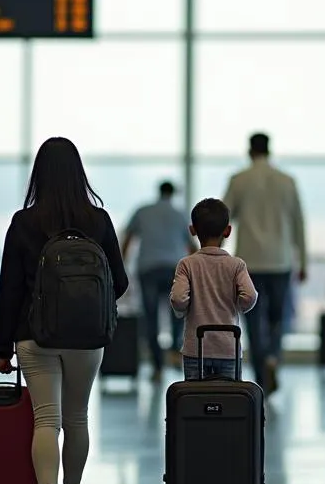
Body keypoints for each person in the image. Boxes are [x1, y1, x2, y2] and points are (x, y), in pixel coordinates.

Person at [0, 137, 128, 484]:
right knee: (77, 419)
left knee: (45, 420)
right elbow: (120, 283)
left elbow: (9, 290)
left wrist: (2, 348)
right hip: (87, 338)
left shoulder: (23, 222)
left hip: (34, 336)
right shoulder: (99, 221)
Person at [224, 133, 307, 395]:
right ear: (269, 151)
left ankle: (262, 373)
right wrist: (302, 260)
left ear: (249, 151)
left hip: (248, 262)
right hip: (280, 260)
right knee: (278, 318)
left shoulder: (239, 180)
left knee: (253, 320)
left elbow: (224, 218)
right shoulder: (287, 181)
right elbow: (298, 224)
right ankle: (273, 356)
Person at [170, 198, 258, 380]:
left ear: (192, 230)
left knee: (196, 401)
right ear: (228, 231)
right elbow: (249, 296)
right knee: (228, 402)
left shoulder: (187, 264)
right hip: (228, 348)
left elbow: (178, 299)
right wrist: (238, 305)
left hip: (196, 349)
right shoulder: (236, 265)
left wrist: (185, 309)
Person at [122, 181, 194, 382]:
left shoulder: (143, 211)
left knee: (151, 317)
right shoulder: (180, 214)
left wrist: (122, 266)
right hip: (174, 269)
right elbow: (191, 245)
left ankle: (157, 367)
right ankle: (173, 350)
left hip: (149, 269)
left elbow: (128, 239)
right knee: (178, 312)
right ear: (173, 194)